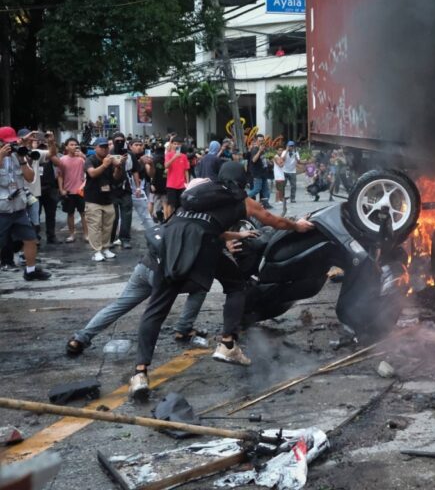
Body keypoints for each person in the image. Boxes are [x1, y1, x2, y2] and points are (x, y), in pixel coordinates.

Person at [128, 162, 314, 399]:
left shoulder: (198, 194)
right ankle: (227, 344)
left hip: (170, 246)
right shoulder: (240, 199)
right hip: (202, 248)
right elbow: (272, 220)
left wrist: (236, 234)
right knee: (236, 286)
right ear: (242, 181)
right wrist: (297, 226)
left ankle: (140, 374)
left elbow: (200, 225)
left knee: (155, 310)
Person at [65, 252, 210, 355]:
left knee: (119, 305)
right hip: (163, 274)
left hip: (144, 267)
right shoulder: (196, 228)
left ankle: (79, 339)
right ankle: (183, 329)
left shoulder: (170, 221)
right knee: (200, 287)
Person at [0, 127, 51, 281]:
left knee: (30, 239)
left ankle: (30, 271)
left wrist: (22, 160)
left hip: (19, 208)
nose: (10, 146)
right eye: (6, 143)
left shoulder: (18, 155)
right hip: (2, 210)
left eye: (12, 142)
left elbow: (30, 177)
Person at [84, 137, 124, 261]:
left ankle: (106, 248)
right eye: (101, 147)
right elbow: (92, 173)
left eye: (106, 147)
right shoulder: (90, 159)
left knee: (108, 226)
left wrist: (118, 166)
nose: (104, 149)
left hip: (108, 198)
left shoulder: (110, 160)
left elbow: (116, 177)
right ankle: (96, 251)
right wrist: (104, 165)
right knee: (95, 226)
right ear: (95, 148)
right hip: (93, 198)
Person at [57, 138, 89, 243]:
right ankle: (71, 234)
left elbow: (90, 169)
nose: (74, 146)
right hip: (68, 191)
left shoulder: (81, 159)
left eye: (75, 144)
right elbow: (60, 176)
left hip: (81, 190)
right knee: (70, 214)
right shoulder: (62, 159)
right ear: (66, 147)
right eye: (71, 144)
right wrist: (61, 189)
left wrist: (83, 156)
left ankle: (86, 234)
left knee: (84, 213)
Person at [109, 132, 134, 249]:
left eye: (121, 140)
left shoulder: (129, 154)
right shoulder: (109, 155)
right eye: (117, 140)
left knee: (127, 216)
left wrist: (138, 187)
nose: (119, 142)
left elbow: (134, 170)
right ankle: (110, 239)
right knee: (112, 217)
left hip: (125, 189)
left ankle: (125, 239)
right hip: (112, 189)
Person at [164, 135, 189, 220]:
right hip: (171, 184)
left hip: (182, 185)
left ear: (181, 145)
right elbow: (166, 166)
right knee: (171, 204)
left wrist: (187, 183)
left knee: (181, 204)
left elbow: (186, 170)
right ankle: (169, 220)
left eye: (178, 144)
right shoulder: (168, 155)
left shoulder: (184, 156)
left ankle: (178, 220)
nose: (176, 145)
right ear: (171, 144)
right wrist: (174, 157)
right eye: (175, 144)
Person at [246, 135, 272, 209]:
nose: (261, 142)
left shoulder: (263, 149)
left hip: (263, 172)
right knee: (257, 189)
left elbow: (262, 159)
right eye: (259, 140)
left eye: (262, 140)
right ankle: (244, 198)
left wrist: (268, 162)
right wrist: (260, 151)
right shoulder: (255, 149)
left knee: (266, 190)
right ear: (256, 141)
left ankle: (265, 204)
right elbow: (254, 160)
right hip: (257, 173)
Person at [149, 143, 167, 222]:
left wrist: (152, 183)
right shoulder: (167, 158)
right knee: (165, 202)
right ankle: (165, 218)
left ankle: (153, 216)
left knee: (152, 201)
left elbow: (152, 173)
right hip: (165, 183)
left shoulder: (153, 159)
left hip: (155, 183)